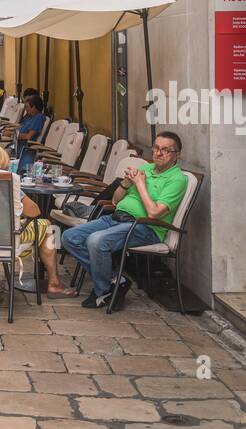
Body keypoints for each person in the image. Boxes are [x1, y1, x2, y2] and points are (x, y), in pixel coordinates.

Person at [61, 132, 188, 311]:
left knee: (96, 241)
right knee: (69, 237)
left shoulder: (177, 179)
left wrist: (141, 184)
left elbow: (154, 213)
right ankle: (115, 280)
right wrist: (127, 183)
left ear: (177, 154)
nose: (159, 153)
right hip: (116, 219)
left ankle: (103, 290)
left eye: (166, 150)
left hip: (145, 228)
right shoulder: (146, 169)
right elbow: (115, 201)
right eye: (156, 148)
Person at [0, 143, 76, 302]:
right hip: (5, 239)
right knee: (49, 227)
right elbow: (34, 211)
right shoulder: (8, 182)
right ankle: (54, 283)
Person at [12, 94, 46, 173]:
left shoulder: (38, 118)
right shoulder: (29, 117)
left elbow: (28, 136)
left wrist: (14, 135)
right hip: (17, 146)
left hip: (26, 151)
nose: (26, 109)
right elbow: (19, 128)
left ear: (33, 107)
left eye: (27, 107)